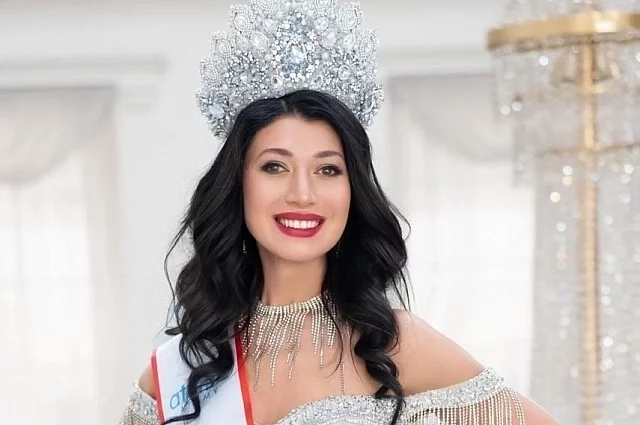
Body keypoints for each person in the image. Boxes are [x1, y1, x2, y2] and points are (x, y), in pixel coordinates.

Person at [120, 1, 558, 424]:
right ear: (237, 184)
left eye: (328, 169)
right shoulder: (177, 374)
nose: (302, 194)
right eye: (275, 167)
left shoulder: (395, 344)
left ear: (353, 191)